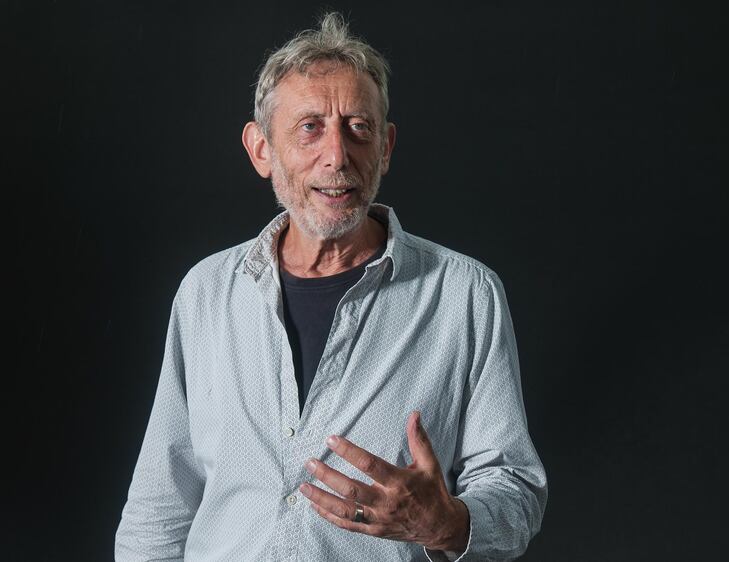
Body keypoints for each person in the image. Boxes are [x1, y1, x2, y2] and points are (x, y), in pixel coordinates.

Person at [115, 12, 546, 562]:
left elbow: (515, 487)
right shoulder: (205, 292)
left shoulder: (464, 295)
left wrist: (449, 524)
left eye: (358, 128)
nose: (337, 156)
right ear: (261, 149)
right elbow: (160, 504)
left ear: (386, 148)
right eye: (309, 127)